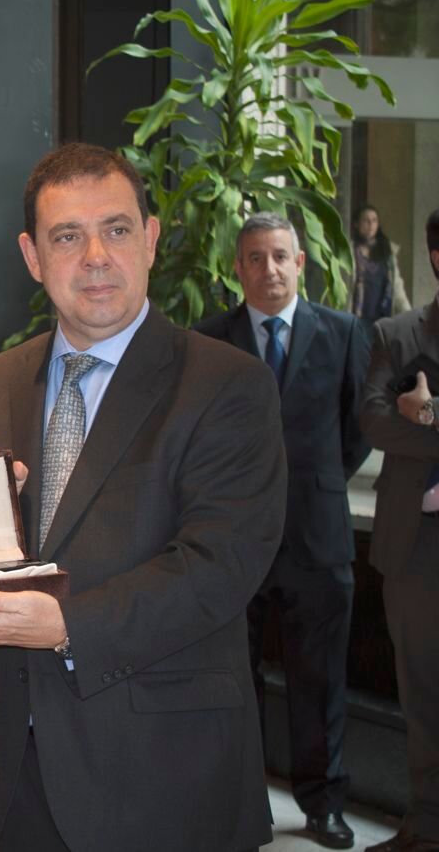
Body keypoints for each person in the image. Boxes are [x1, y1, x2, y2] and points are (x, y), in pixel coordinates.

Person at [0, 142, 284, 852]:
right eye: (67, 237)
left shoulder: (228, 384)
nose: (95, 256)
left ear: (150, 239)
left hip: (169, 775)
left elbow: (220, 565)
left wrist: (67, 625)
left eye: (116, 229)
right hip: (21, 770)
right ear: (33, 257)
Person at [196, 212, 370, 849]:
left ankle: (323, 804)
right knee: (233, 678)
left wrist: (310, 489)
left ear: (300, 263)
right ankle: (242, 801)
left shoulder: (345, 333)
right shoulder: (209, 341)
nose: (268, 269)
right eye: (255, 258)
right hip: (231, 542)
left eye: (279, 257)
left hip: (316, 539)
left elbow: (356, 433)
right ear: (237, 269)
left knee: (318, 679)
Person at [359, 207, 439, 852]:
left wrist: (429, 414)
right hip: (417, 548)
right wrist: (410, 420)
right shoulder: (396, 332)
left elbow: (406, 420)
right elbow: (374, 422)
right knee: (423, 697)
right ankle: (426, 827)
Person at [353, 204, 412, 327]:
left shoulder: (386, 251)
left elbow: (397, 286)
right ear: (356, 224)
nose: (371, 224)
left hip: (381, 318)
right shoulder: (350, 251)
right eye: (366, 220)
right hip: (356, 317)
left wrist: (409, 315)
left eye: (374, 220)